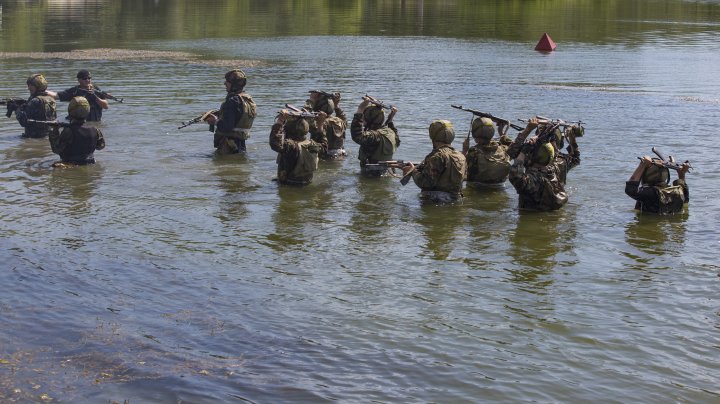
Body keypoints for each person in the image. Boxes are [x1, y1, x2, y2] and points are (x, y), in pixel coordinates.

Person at [507, 118, 581, 211]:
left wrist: (527, 131)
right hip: (553, 207)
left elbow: (512, 153)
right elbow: (575, 158)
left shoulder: (529, 179)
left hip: (530, 213)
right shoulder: (560, 163)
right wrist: (572, 139)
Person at [402, 120, 467, 204]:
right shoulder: (461, 157)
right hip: (456, 200)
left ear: (433, 136)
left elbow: (425, 183)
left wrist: (413, 171)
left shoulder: (437, 156)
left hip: (435, 201)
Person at [269, 109, 327, 185]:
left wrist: (280, 121)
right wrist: (320, 124)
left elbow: (275, 143)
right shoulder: (313, 145)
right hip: (307, 183)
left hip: (289, 186)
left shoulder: (290, 147)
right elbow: (324, 145)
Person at [205, 69, 257, 154]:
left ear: (234, 84)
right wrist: (220, 113)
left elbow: (226, 127)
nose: (224, 83)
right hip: (241, 145)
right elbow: (238, 116)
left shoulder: (232, 101)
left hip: (228, 146)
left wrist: (215, 121)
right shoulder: (245, 99)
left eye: (227, 81)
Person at [48, 96, 105, 166]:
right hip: (91, 163)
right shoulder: (95, 130)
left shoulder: (68, 131)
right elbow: (100, 146)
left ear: (70, 110)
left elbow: (56, 149)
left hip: (70, 165)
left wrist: (54, 130)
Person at [350, 97, 399, 176]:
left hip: (371, 175)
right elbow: (397, 141)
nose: (363, 120)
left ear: (369, 120)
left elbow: (357, 136)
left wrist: (360, 110)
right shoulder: (391, 133)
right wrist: (390, 120)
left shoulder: (373, 136)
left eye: (364, 118)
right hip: (387, 172)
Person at [625, 156, 690, 214]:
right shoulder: (679, 191)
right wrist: (682, 174)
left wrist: (642, 165)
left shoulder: (649, 193)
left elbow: (630, 189)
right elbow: (684, 191)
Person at [462, 117, 514, 185]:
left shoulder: (474, 153)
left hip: (478, 188)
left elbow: (460, 168)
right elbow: (513, 146)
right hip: (499, 187)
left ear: (475, 134)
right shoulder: (504, 150)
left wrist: (465, 151)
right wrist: (502, 133)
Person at [306, 91, 347, 160]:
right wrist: (336, 106)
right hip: (340, 156)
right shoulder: (340, 121)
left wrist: (311, 101)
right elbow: (343, 117)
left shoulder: (319, 124)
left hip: (324, 157)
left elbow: (305, 116)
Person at [15, 73, 57, 138]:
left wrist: (16, 110)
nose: (28, 88)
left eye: (31, 85)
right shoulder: (51, 99)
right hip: (48, 135)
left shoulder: (35, 101)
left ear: (37, 86)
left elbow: (23, 122)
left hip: (34, 137)